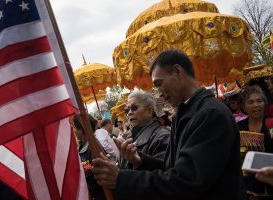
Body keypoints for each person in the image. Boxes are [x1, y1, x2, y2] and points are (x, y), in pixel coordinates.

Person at [92, 50, 243, 200]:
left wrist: (121, 178)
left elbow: (186, 182)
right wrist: (141, 161)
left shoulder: (209, 114)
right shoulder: (185, 114)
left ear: (178, 71)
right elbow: (172, 168)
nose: (159, 93)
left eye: (159, 83)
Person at [237, 86, 273, 199]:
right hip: (246, 188)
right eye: (250, 102)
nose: (256, 105)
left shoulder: (271, 125)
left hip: (270, 185)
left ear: (264, 103)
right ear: (243, 106)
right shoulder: (238, 127)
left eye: (259, 101)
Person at [117, 91, 170, 169]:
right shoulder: (128, 138)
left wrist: (138, 162)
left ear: (149, 111)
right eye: (127, 110)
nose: (129, 113)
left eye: (134, 108)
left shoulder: (163, 137)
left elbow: (164, 175)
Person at [73, 114, 106, 200]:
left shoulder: (94, 145)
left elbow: (95, 167)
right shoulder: (82, 145)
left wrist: (81, 168)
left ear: (80, 130)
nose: (74, 130)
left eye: (74, 127)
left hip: (100, 193)